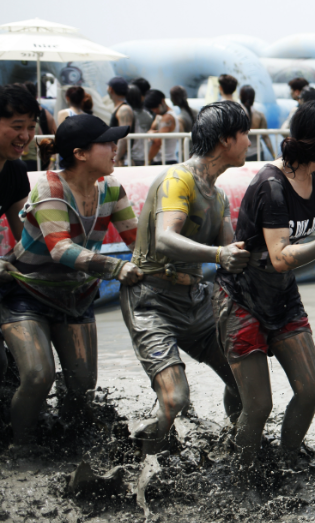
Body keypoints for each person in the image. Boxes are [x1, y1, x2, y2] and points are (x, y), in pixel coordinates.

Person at [214, 100, 315, 470]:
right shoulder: (271, 184)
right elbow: (280, 255)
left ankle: (286, 462)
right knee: (259, 406)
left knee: (311, 389)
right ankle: (243, 477)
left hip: (282, 297)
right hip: (241, 299)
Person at [2, 115, 142, 445]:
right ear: (80, 154)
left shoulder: (111, 188)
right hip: (26, 293)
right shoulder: (50, 187)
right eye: (107, 143)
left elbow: (139, 242)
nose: (114, 148)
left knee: (82, 387)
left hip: (76, 296)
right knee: (38, 376)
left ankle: (68, 446)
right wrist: (116, 269)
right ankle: (20, 449)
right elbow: (60, 249)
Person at [124, 101, 252, 453]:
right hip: (151, 300)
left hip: (196, 300)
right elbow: (167, 237)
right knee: (176, 397)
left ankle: (234, 447)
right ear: (226, 139)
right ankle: (142, 458)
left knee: (246, 382)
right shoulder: (177, 179)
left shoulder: (219, 196)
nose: (249, 143)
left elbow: (232, 255)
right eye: (245, 135)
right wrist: (218, 254)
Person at [0, 85, 39, 381]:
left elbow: (26, 236)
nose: (24, 136)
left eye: (30, 127)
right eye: (16, 127)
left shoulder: (14, 170)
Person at [144, 89, 179, 165]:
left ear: (162, 101)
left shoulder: (167, 117)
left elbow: (157, 142)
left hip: (166, 161)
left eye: (156, 108)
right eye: (153, 110)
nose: (155, 111)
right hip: (162, 160)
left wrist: (147, 161)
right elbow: (152, 130)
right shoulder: (160, 116)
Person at [240, 85, 274, 162]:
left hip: (241, 153)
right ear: (253, 98)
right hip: (257, 153)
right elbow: (265, 137)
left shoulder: (236, 115)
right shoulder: (259, 115)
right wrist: (274, 155)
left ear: (240, 97)